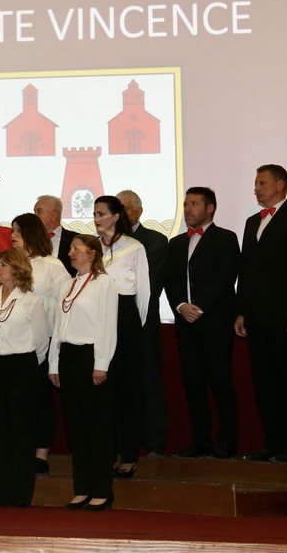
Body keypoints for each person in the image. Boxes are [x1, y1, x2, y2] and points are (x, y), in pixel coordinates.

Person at [236, 164, 287, 464]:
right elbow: (246, 271)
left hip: (285, 317)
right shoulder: (252, 222)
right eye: (256, 183)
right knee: (265, 383)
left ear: (280, 185)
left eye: (262, 183)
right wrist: (242, 311)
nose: (256, 188)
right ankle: (273, 443)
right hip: (257, 317)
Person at [164, 187, 241, 459]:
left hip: (216, 323)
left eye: (194, 204)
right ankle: (201, 441)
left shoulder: (226, 238)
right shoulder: (175, 243)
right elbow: (170, 280)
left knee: (220, 382)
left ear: (210, 208)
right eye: (186, 204)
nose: (188, 209)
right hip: (186, 325)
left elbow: (225, 277)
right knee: (193, 384)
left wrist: (199, 307)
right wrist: (180, 306)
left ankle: (228, 441)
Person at [49, 235, 118, 511]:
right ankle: (82, 488)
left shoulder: (104, 283)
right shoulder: (68, 284)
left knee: (96, 426)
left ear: (92, 254)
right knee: (76, 427)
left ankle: (102, 490)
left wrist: (101, 363)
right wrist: (54, 364)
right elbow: (58, 325)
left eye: (76, 249)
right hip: (68, 357)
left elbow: (107, 325)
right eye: (70, 249)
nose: (70, 253)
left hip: (91, 357)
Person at [0, 249, 49, 507]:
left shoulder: (31, 301)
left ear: (18, 269)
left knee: (21, 429)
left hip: (22, 366)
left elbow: (41, 342)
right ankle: (1, 493)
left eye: (4, 264)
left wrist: (26, 366)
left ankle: (20, 494)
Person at [93, 195, 150, 479]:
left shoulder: (134, 247)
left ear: (116, 216)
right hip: (95, 319)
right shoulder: (90, 247)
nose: (97, 219)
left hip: (125, 320)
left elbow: (144, 294)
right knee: (102, 393)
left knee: (127, 391)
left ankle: (128, 456)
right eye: (94, 214)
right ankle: (105, 453)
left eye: (101, 213)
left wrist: (131, 328)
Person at [10, 212, 69, 472]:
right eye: (12, 231)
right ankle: (20, 450)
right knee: (18, 400)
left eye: (17, 231)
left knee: (40, 400)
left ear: (31, 234)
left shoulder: (52, 266)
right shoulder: (11, 265)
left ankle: (41, 454)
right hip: (15, 343)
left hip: (44, 343)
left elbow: (65, 306)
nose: (12, 236)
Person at [117, 189, 169, 457]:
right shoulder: (104, 243)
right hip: (112, 325)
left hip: (143, 322)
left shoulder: (155, 241)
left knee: (148, 381)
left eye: (125, 208)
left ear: (138, 211)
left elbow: (151, 284)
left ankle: (154, 441)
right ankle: (120, 441)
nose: (121, 213)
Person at [35, 194, 77, 276]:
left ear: (54, 214)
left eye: (39, 211)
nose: (35, 216)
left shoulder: (75, 239)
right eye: (34, 212)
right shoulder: (30, 240)